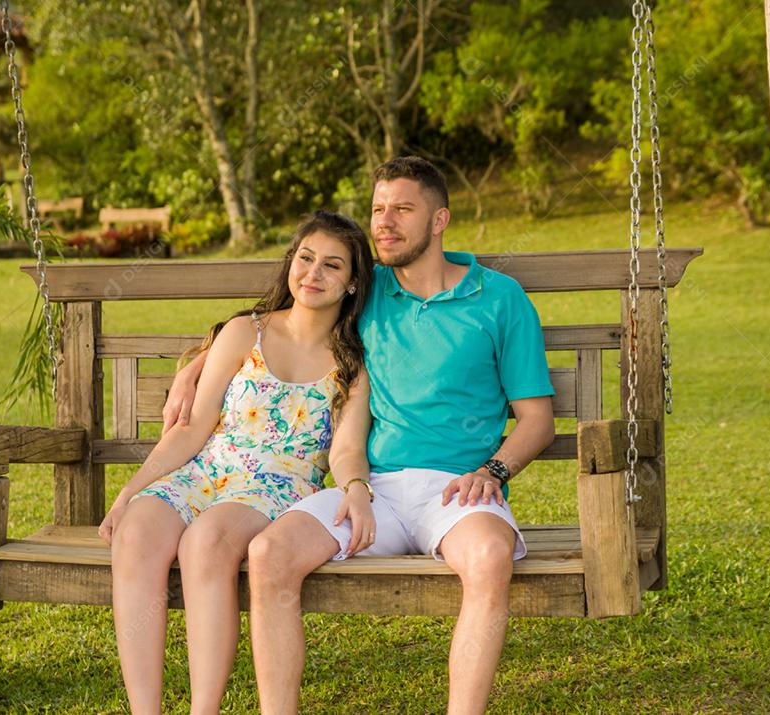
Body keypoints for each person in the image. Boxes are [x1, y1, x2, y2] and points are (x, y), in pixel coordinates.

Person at [166, 156, 556, 715]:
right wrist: (200, 360)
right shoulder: (365, 294)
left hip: (459, 492)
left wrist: (493, 472)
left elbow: (536, 419)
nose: (385, 223)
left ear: (439, 219)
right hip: (373, 491)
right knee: (270, 552)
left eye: (402, 209)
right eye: (378, 209)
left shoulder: (500, 299)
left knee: (491, 559)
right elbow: (281, 319)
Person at [98, 210, 375, 715]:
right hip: (207, 470)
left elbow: (347, 447)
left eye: (332, 266)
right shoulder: (245, 332)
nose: (313, 274)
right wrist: (130, 490)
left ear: (353, 283)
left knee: (207, 542)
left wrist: (355, 485)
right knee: (137, 529)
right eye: (305, 258)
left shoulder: (351, 364)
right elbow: (193, 425)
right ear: (291, 263)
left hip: (278, 487)